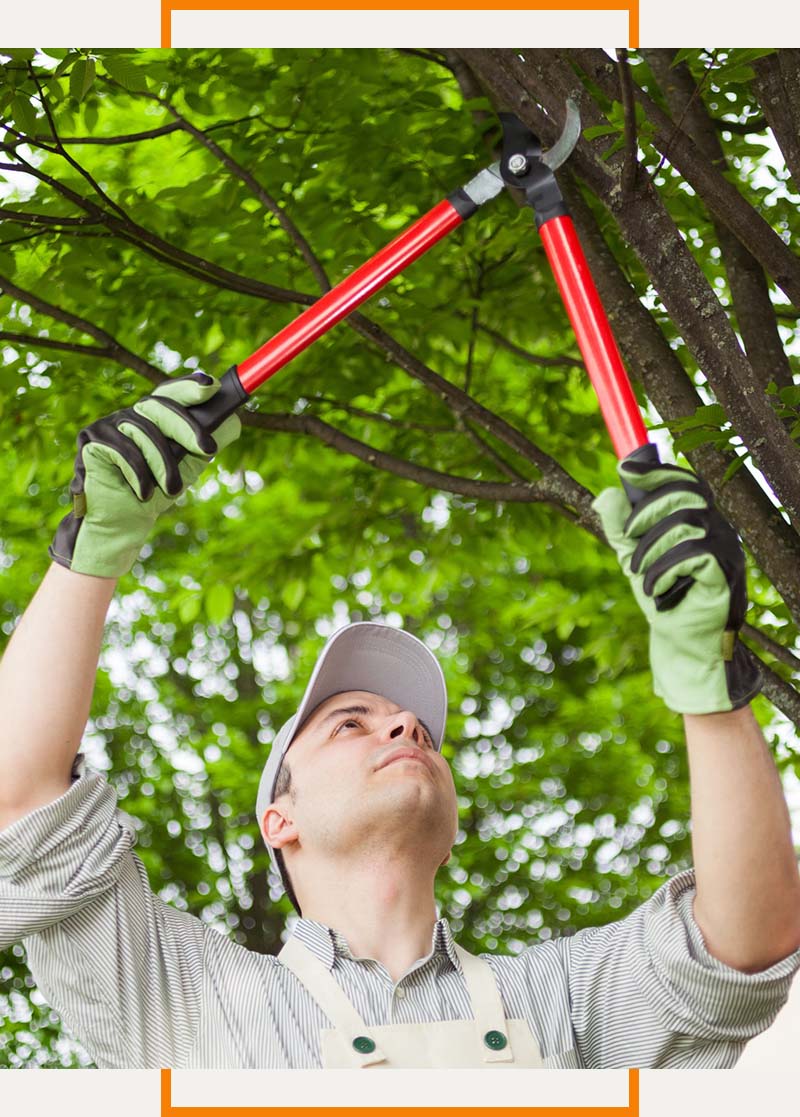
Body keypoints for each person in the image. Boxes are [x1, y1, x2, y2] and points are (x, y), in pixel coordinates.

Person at [1, 373, 799, 1070]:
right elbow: (23, 801)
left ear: (450, 832)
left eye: (417, 727)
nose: (406, 729)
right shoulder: (187, 998)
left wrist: (711, 682)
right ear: (280, 819)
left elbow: (744, 944)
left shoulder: (562, 996)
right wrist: (91, 551)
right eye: (353, 723)